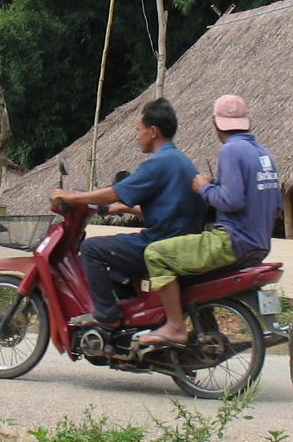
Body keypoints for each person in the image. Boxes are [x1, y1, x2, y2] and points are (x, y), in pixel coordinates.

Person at [136, 95, 283, 347]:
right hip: (258, 244)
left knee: (156, 254)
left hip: (230, 241)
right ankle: (205, 328)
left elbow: (231, 201)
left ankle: (174, 326)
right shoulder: (263, 154)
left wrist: (204, 188)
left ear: (216, 123)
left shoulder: (231, 150)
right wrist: (215, 185)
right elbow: (276, 206)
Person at [50, 98, 202, 329]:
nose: (136, 136)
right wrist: (126, 208)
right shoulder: (179, 160)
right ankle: (135, 315)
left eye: (138, 130)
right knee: (118, 265)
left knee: (91, 249)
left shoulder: (158, 163)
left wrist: (72, 197)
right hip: (179, 237)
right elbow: (169, 206)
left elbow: (113, 193)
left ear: (153, 131)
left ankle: (107, 316)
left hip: (161, 241)